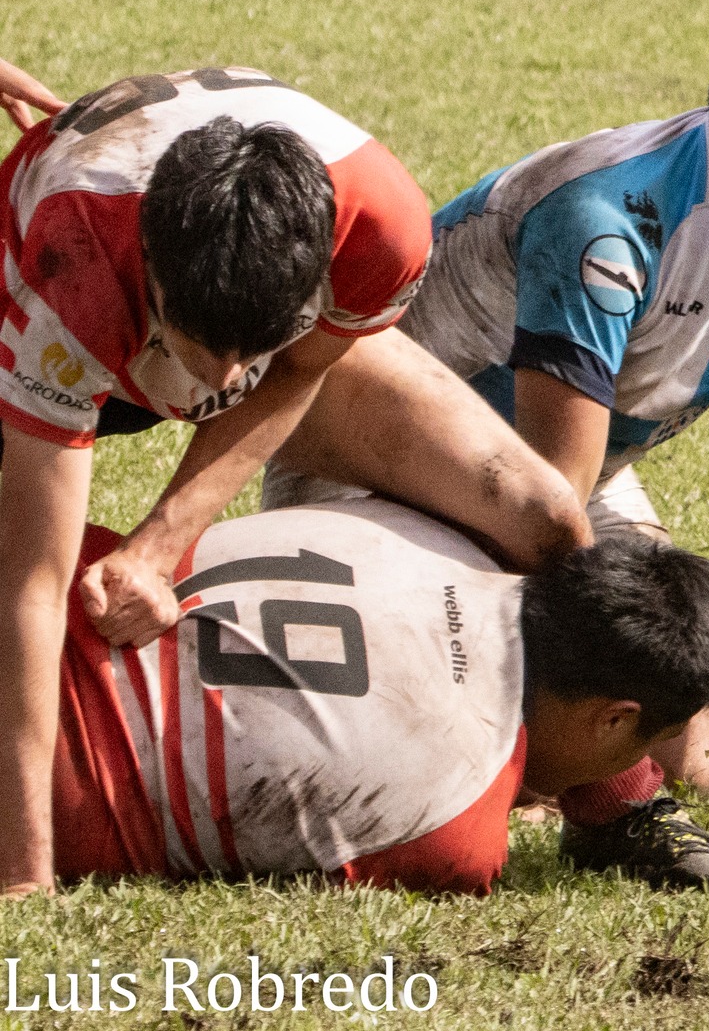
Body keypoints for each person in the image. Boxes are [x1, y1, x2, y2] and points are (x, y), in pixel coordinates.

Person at [314, 0, 709, 887]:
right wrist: (610, 778)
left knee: (701, 755)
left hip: (556, 474)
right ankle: (603, 805)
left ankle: (558, 761)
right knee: (567, 737)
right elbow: (549, 506)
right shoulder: (610, 220)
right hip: (375, 468)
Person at [0, 68, 591, 898]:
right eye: (203, 343)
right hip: (55, 306)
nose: (225, 374)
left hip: (237, 314)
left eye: (256, 343)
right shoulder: (73, 270)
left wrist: (158, 545)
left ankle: (610, 800)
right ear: (151, 268)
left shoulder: (382, 226)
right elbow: (28, 585)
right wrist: (23, 873)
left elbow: (294, 372)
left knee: (545, 516)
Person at [53, 497, 709, 893]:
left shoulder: (440, 524)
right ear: (614, 718)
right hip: (39, 774)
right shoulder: (460, 833)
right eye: (641, 749)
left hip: (40, 581)